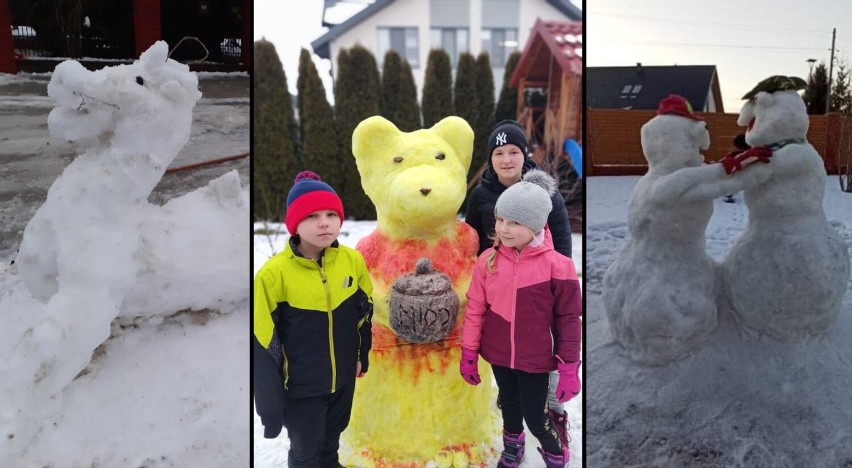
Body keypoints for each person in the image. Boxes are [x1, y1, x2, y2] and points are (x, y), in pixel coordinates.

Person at [459, 169, 582, 468]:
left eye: (514, 222)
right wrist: (468, 353)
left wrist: (569, 368)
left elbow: (569, 319)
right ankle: (512, 448)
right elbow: (475, 307)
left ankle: (555, 451)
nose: (503, 229)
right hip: (500, 354)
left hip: (537, 359)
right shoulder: (487, 261)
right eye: (501, 220)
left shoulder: (559, 266)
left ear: (537, 224)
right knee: (510, 408)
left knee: (536, 417)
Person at [253, 170, 374, 468]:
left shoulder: (352, 261)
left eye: (332, 214)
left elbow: (364, 313)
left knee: (332, 436)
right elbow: (262, 341)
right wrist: (269, 405)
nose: (324, 222)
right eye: (312, 216)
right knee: (306, 449)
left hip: (343, 378)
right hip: (301, 387)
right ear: (294, 224)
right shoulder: (273, 275)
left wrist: (362, 355)